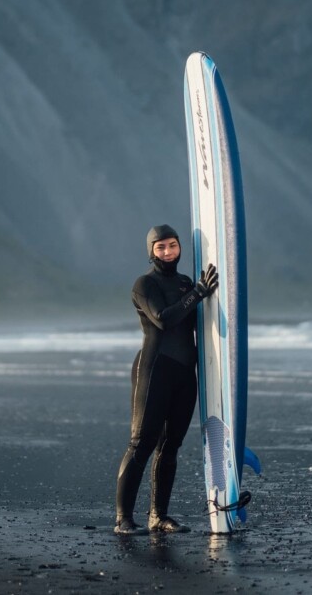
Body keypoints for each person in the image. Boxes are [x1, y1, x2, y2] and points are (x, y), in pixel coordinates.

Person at [114, 224, 219, 535]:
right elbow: (163, 318)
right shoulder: (144, 285)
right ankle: (123, 519)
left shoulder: (186, 282)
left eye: (173, 245)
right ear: (151, 251)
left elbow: (201, 324)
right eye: (161, 247)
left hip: (185, 373)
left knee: (171, 445)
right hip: (154, 370)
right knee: (141, 444)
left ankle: (158, 516)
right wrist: (200, 293)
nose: (168, 252)